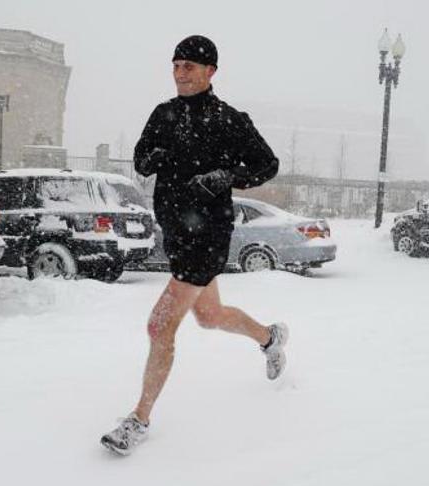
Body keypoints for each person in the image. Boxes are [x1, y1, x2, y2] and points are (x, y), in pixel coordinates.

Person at [100, 35, 288, 456]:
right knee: (209, 315)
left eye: (189, 66)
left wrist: (226, 177)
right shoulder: (163, 114)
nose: (180, 72)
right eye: (176, 65)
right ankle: (269, 338)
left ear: (210, 72)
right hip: (178, 233)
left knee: (159, 323)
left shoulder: (230, 119)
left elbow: (267, 164)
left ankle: (138, 418)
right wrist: (156, 157)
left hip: (209, 234)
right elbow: (142, 157)